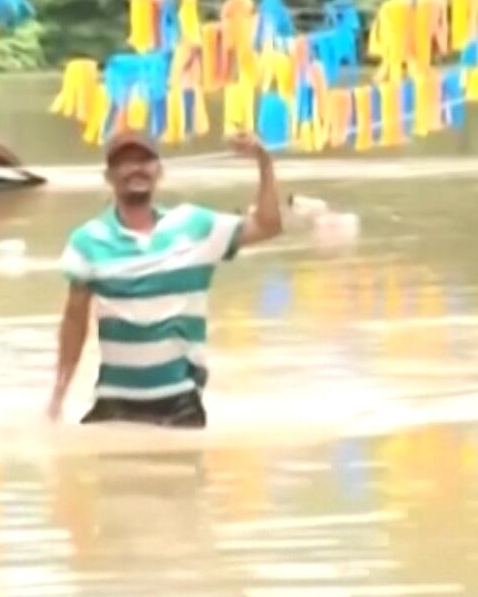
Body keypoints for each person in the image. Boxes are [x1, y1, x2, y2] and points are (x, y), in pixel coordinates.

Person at [47, 131, 296, 428]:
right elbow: (74, 323)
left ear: (159, 171)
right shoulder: (87, 241)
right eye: (125, 163)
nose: (136, 169)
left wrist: (264, 164)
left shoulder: (195, 226)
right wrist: (58, 396)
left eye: (144, 160)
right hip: (113, 401)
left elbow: (268, 226)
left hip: (180, 402)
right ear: (109, 176)